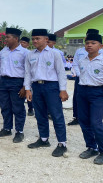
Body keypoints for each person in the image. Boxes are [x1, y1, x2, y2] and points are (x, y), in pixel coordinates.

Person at [25, 29, 68, 157]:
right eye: (33, 39)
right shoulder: (30, 55)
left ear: (46, 39)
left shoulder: (54, 54)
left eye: (37, 38)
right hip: (36, 87)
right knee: (40, 114)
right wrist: (27, 89)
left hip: (52, 87)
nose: (35, 41)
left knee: (56, 115)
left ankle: (62, 143)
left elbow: (61, 72)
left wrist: (63, 90)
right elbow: (27, 73)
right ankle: (43, 139)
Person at [77, 33, 103, 165]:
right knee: (84, 121)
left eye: (93, 43)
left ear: (100, 46)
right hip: (82, 92)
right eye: (87, 43)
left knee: (96, 122)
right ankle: (91, 147)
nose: (89, 45)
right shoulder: (82, 61)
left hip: (98, 92)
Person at [0, 28, 29, 143]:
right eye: (5, 37)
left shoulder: (24, 53)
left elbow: (28, 72)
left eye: (8, 37)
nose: (5, 39)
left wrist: (25, 87)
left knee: (18, 107)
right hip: (4, 82)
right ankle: (7, 128)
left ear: (16, 38)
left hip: (17, 82)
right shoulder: (3, 51)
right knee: (5, 107)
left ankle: (19, 131)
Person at [68, 29, 103, 126]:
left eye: (93, 41)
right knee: (77, 97)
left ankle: (92, 118)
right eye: (88, 38)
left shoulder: (102, 52)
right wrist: (79, 74)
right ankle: (76, 117)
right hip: (80, 78)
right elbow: (75, 63)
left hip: (94, 79)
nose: (90, 44)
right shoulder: (79, 51)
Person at [20, 36, 34, 116]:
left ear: (28, 44)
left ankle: (30, 108)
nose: (22, 44)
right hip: (20, 76)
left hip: (28, 76)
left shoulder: (29, 53)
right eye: (21, 42)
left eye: (24, 43)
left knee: (28, 91)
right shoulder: (17, 51)